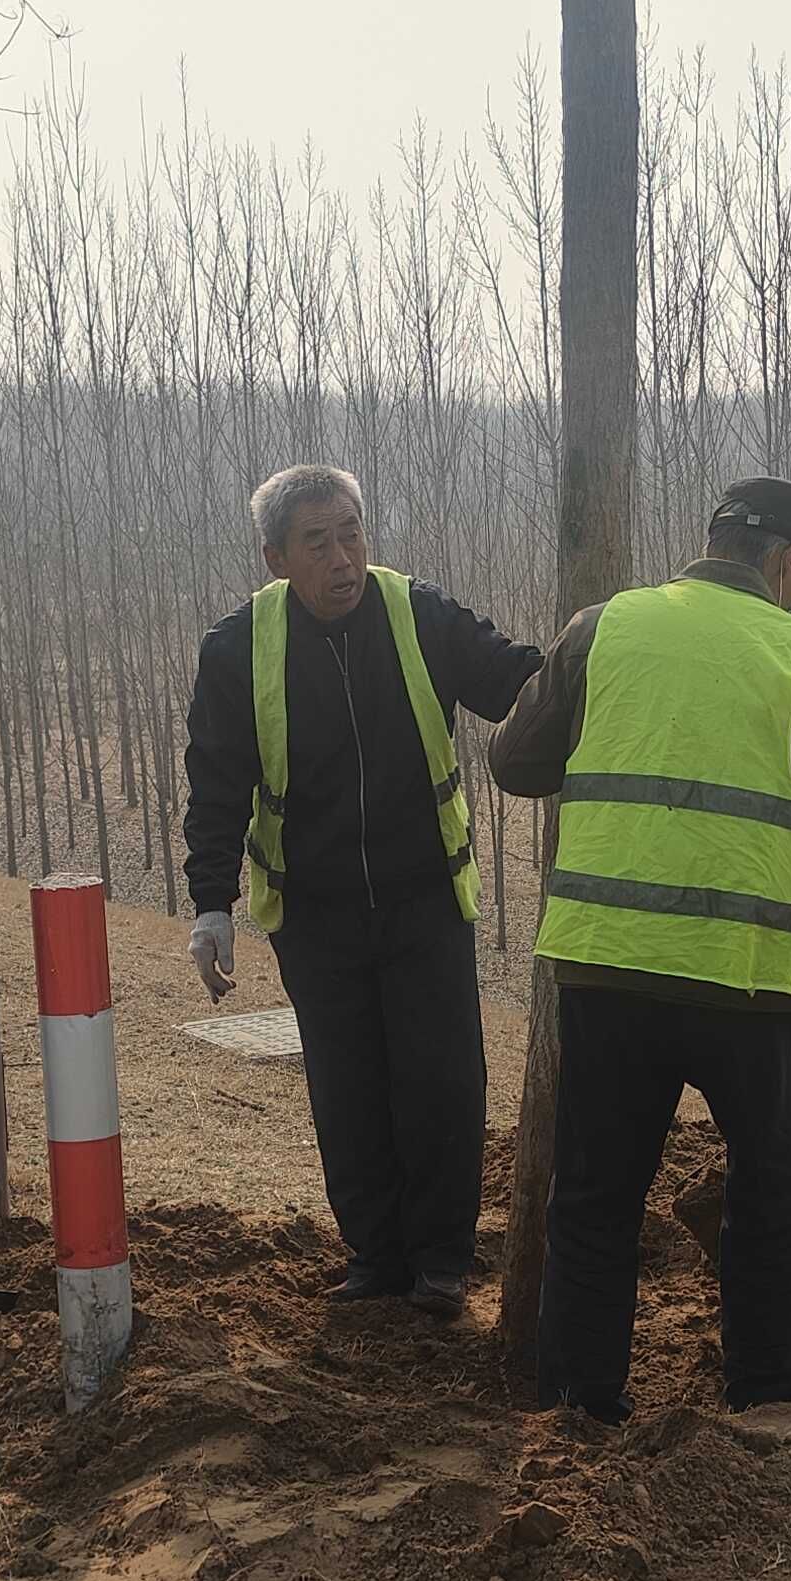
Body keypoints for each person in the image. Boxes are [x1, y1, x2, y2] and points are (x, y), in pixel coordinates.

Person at [489, 477, 791, 1420]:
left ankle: (580, 1397)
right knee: (768, 1187)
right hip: (744, 979)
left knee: (595, 1192)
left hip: (609, 962)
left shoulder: (603, 627)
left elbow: (514, 762)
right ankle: (763, 1384)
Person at [182, 466, 541, 1313]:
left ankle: (442, 1261)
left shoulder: (421, 614)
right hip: (316, 915)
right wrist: (211, 903)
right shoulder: (237, 649)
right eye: (317, 542)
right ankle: (376, 1259)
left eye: (351, 534)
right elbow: (218, 783)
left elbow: (516, 681)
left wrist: (606, 655)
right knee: (347, 1091)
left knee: (443, 1083)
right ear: (276, 558)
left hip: (425, 903)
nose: (342, 558)